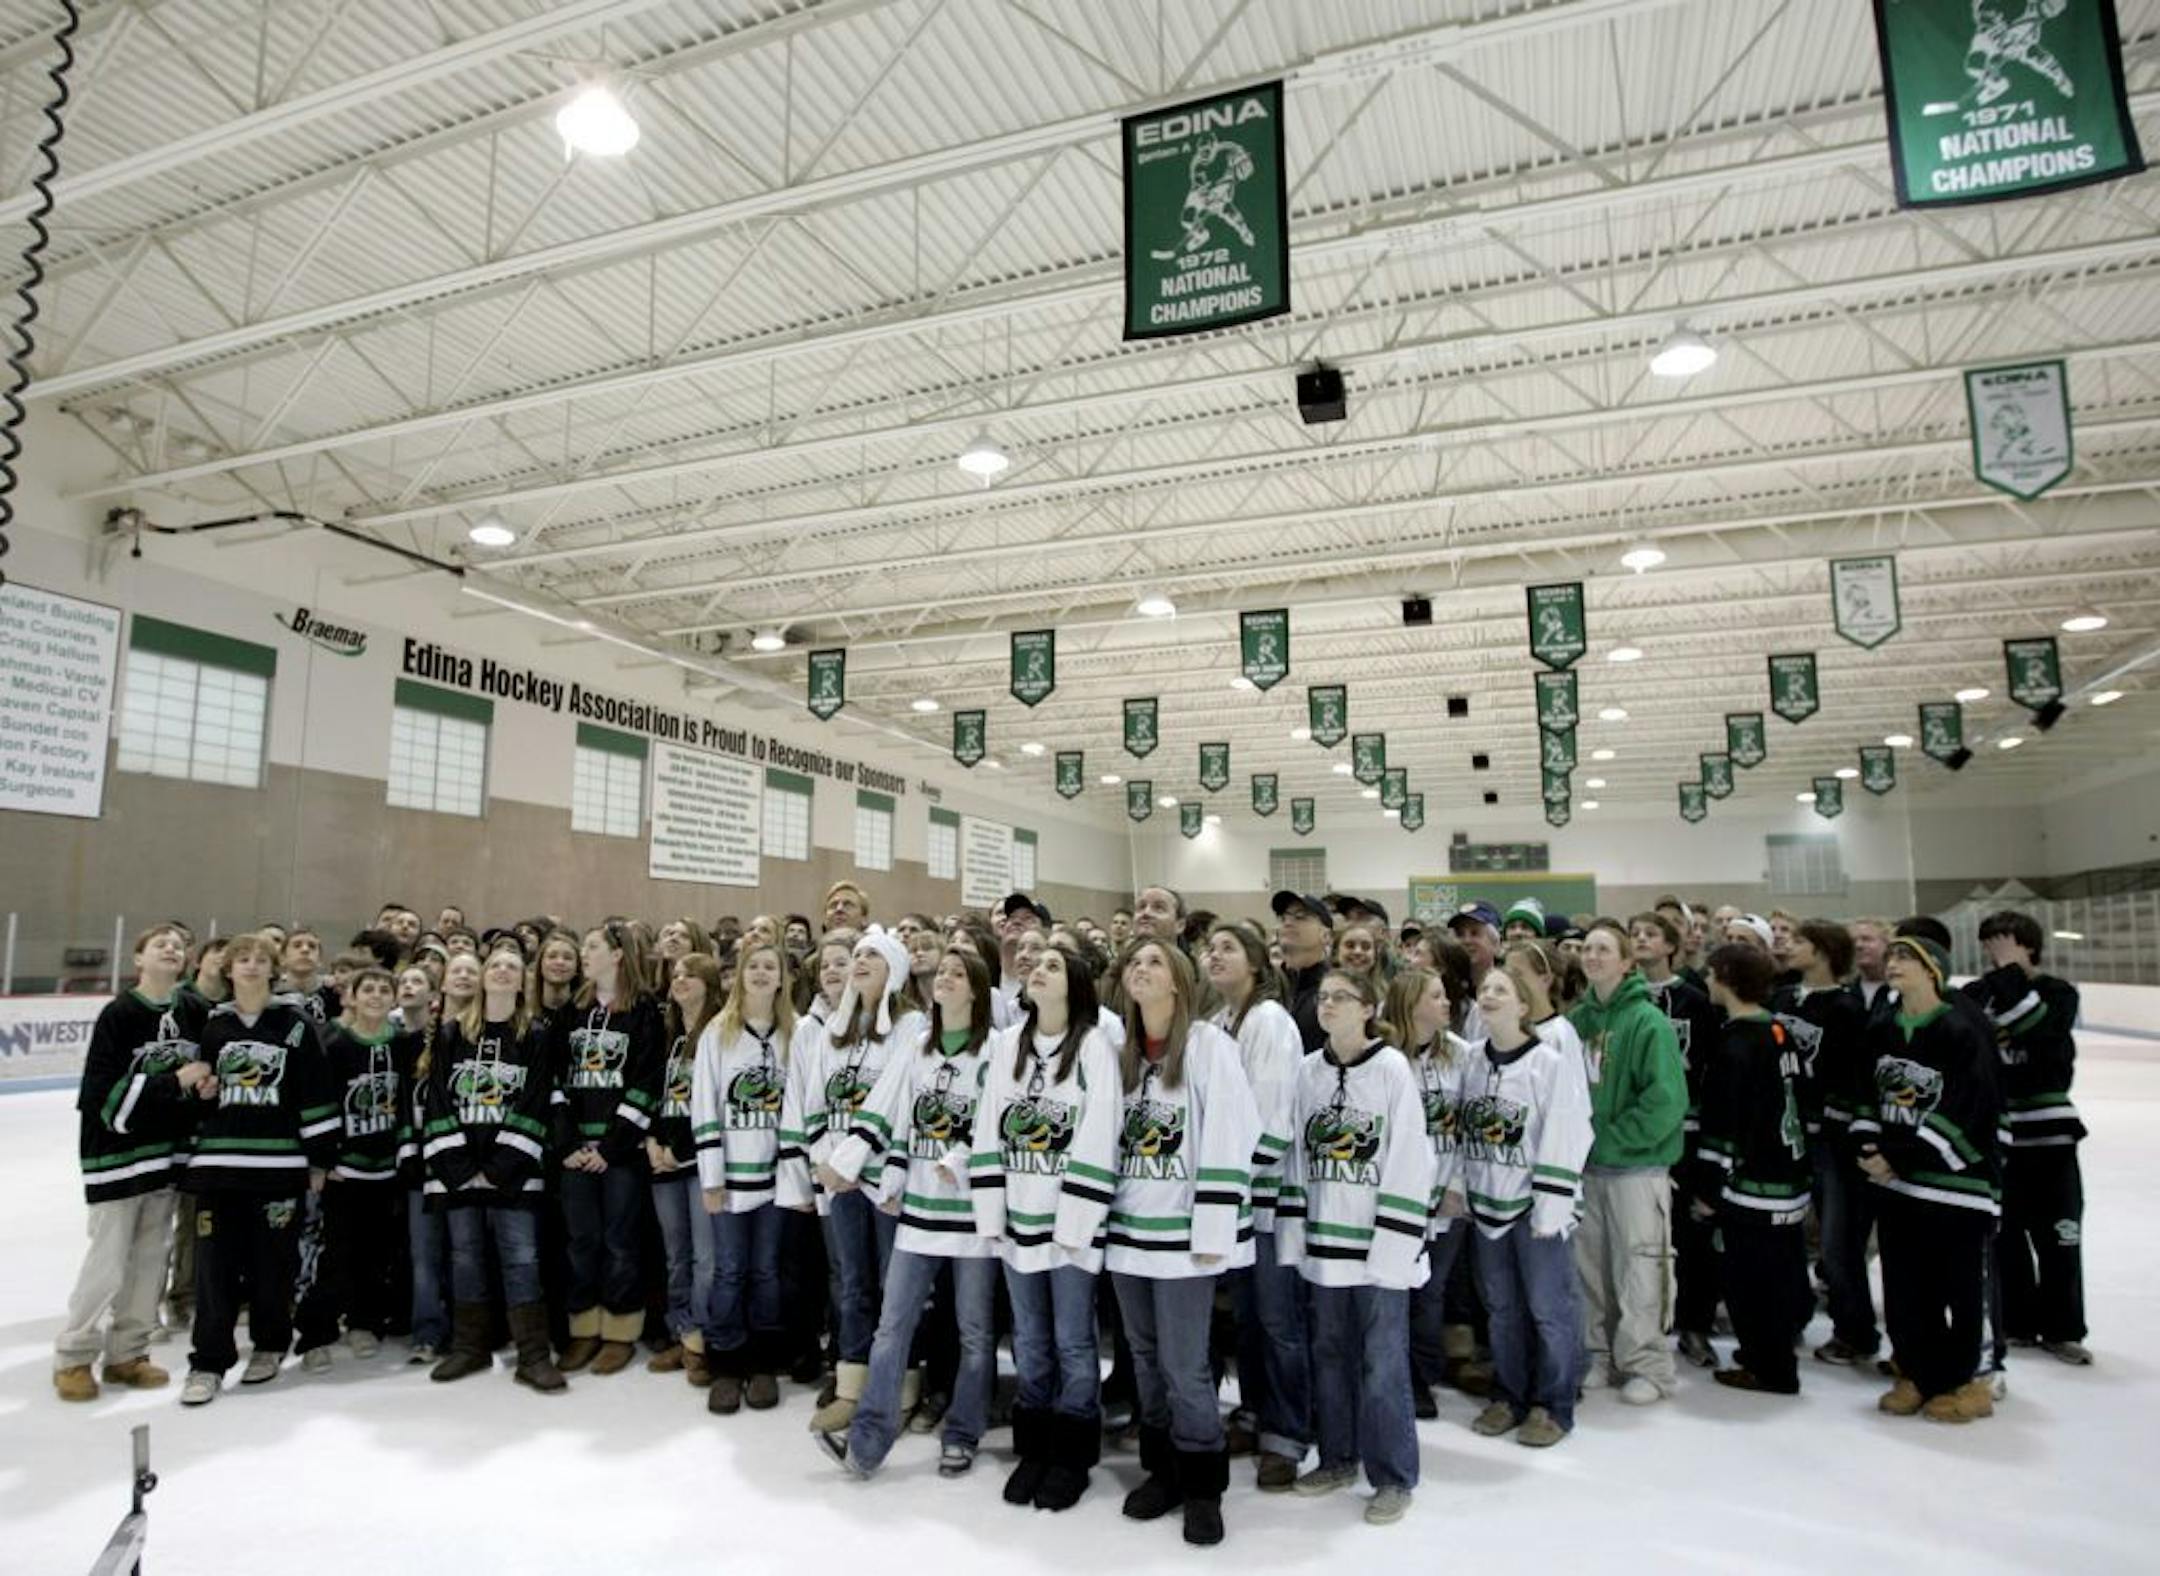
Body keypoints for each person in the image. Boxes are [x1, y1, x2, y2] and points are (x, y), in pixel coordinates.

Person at [815, 947, 1000, 1479]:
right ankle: (867, 1442)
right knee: (892, 1327)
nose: (945, 979)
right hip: (918, 1213)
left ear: (976, 990)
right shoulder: (918, 1047)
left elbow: (991, 1125)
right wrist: (848, 1164)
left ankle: (963, 1433)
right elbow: (885, 1112)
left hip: (971, 1219)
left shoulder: (996, 1051)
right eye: (941, 971)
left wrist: (958, 1159)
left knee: (974, 1332)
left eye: (957, 974)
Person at [1108, 940, 1261, 1547]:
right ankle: (1163, 1469)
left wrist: (1214, 1228)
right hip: (1127, 1232)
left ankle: (1203, 1484)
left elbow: (1233, 1129)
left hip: (1183, 1237)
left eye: (1154, 963)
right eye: (1133, 963)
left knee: (1183, 1364)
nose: (1140, 970)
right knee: (1143, 1358)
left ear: (1177, 982)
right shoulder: (1115, 1051)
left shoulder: (1207, 1047)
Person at [1277, 968, 1434, 1525]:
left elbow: (1410, 1158)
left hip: (1376, 1248)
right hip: (1325, 1243)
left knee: (1383, 1363)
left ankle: (1393, 1475)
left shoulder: (1391, 1068)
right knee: (1329, 1354)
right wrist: (1295, 1234)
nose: (1328, 1006)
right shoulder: (1305, 1071)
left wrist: (1394, 1247)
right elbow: (1297, 1153)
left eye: (1341, 998)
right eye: (1323, 998)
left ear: (1368, 1007)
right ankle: (1338, 1457)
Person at [969, 942, 1120, 1513]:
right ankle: (1034, 1446)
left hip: (1069, 1226)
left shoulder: (1095, 1048)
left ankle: (1073, 1453)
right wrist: (992, 1212)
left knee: (1075, 1342)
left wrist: (1075, 1222)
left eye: (1054, 965)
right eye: (1036, 965)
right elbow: (988, 1129)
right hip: (1017, 1219)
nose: (1038, 969)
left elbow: (1099, 1133)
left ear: (1075, 983)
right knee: (1029, 1340)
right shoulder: (1007, 1044)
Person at [178, 932, 340, 1406]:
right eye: (241, 959)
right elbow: (194, 1089)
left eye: (260, 960)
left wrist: (319, 1160)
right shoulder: (210, 1026)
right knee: (215, 1270)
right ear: (227, 970)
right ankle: (208, 1361)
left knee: (274, 1264)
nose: (250, 966)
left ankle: (269, 1344)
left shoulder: (295, 1025)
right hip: (218, 1167)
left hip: (278, 1166)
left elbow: (315, 1092)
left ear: (275, 969)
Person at [1850, 934, 2002, 1424]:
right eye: (1891, 956)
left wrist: (1900, 1158)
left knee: (1958, 1285)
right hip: (1898, 1184)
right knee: (1905, 1285)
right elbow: (1865, 1096)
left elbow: (1972, 1107)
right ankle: (1917, 1371)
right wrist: (1871, 1149)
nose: (1894, 964)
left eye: (1906, 958)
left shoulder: (1960, 1029)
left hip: (1956, 1185)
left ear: (1933, 970)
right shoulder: (1883, 1028)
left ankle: (1968, 1380)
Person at [783, 927, 925, 1433]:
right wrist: (826, 1163)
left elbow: (895, 1098)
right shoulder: (831, 1031)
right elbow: (814, 1098)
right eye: (857, 954)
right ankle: (850, 1387)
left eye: (873, 956)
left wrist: (851, 1162)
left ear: (896, 970)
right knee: (854, 1287)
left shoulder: (912, 1026)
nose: (860, 962)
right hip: (839, 1179)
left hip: (882, 1178)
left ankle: (899, 1387)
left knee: (893, 1289)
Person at [54, 923, 203, 1402]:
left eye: (178, 947)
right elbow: (100, 1092)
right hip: (117, 1156)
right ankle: (75, 1356)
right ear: (138, 959)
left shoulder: (189, 1011)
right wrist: (174, 1082)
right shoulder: (118, 1013)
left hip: (163, 1158)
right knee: (108, 1263)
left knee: (149, 1261)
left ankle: (127, 1353)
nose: (171, 950)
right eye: (160, 944)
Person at [419, 941, 563, 1391]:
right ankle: (470, 1348)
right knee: (464, 1256)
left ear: (523, 981)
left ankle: (533, 1355)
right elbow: (438, 1098)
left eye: (512, 967)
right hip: (456, 1167)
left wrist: (501, 1166)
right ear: (482, 976)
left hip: (515, 1170)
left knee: (521, 1257)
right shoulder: (450, 1033)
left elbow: (537, 1100)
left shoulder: (537, 1034)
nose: (502, 971)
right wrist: (461, 1166)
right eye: (494, 965)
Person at [1460, 965, 1593, 1448]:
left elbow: (1569, 1132)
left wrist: (1551, 1207)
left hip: (1536, 1209)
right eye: (1484, 989)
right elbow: (1458, 1130)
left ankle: (1553, 1403)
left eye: (1502, 990)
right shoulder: (1470, 1060)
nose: (1489, 995)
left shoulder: (1548, 1062)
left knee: (1548, 1308)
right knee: (1500, 1309)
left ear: (1523, 1005)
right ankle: (1510, 1394)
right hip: (1487, 1207)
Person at [1202, 921, 1310, 1491]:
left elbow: (1270, 1119)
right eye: (1210, 948)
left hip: (1264, 1196)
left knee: (1278, 1320)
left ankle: (1287, 1434)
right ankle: (1252, 1412)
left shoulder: (1269, 1022)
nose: (1214, 955)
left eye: (1228, 948)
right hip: (1234, 1198)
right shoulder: (1217, 1025)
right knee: (1245, 1318)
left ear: (1256, 962)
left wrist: (1227, 1181)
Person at [1567, 919, 1687, 1404]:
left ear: (1624, 962)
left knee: (1640, 1267)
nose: (1593, 956)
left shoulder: (1647, 1022)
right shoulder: (1576, 1023)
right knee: (1589, 1268)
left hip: (1637, 1168)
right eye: (1588, 949)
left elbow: (1664, 1101)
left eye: (1603, 949)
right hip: (1587, 1170)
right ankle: (1596, 1353)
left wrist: (1609, 1141)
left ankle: (1647, 1364)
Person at [1966, 911, 2089, 1365]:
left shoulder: (2059, 993)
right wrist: (2004, 978)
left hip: (2052, 1136)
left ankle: (2063, 1328)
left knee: (2061, 1235)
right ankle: (2017, 1321)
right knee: (2006, 1238)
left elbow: (2038, 1030)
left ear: (2028, 945)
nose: (1993, 951)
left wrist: (2011, 976)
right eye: (1989, 943)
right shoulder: (1978, 993)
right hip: (2001, 1138)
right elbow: (1978, 1040)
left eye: (2003, 941)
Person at [1690, 944, 1811, 1395]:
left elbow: (1724, 1125)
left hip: (1753, 1183)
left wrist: (1708, 1188)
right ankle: (1771, 1355)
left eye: (1710, 972)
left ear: (1725, 976)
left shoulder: (1736, 1043)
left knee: (1751, 1281)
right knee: (1782, 1273)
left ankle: (1769, 1366)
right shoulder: (1779, 1030)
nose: (1705, 980)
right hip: (1789, 1177)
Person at [552, 923, 663, 1376]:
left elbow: (646, 1081)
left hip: (620, 1152)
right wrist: (569, 1144)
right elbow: (555, 1080)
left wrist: (612, 1147)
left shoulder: (644, 1012)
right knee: (581, 1241)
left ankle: (619, 1331)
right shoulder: (570, 1012)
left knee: (620, 1242)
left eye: (592, 946)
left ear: (617, 955)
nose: (584, 954)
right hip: (577, 1151)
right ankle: (583, 1329)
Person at [693, 938, 796, 1414]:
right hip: (730, 1176)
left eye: (769, 966)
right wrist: (712, 1177)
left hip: (777, 1178)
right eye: (752, 966)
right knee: (730, 1270)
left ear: (781, 978)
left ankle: (763, 1365)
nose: (759, 973)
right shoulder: (718, 1032)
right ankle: (726, 1366)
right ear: (739, 975)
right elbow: (705, 1107)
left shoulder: (795, 1034)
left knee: (767, 1272)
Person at [293, 965, 412, 1371]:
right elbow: (318, 1104)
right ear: (351, 998)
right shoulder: (334, 1043)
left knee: (376, 1252)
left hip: (386, 1167)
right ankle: (315, 1332)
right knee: (336, 1254)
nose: (376, 996)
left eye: (384, 989)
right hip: (346, 1170)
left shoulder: (403, 1044)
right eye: (368, 990)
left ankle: (364, 1321)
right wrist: (323, 1159)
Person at [1776, 919, 1876, 1366]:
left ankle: (1855, 1331)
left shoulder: (1847, 1009)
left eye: (1799, 941)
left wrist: (1832, 1125)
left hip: (1831, 1145)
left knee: (1837, 1244)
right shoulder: (1781, 999)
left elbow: (1854, 1079)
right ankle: (1790, 1315)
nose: (1788, 946)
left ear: (1822, 951)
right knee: (1785, 1236)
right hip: (1785, 1137)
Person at [1629, 910, 1723, 1369]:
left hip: (1685, 1132)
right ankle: (1644, 1325)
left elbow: (1708, 1069)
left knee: (1691, 1235)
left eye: (1651, 934)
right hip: (1635, 1138)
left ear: (1671, 945)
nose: (1641, 939)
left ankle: (1694, 1324)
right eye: (1635, 934)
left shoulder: (1694, 999)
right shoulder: (1621, 1000)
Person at [1381, 965, 1470, 1420]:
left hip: (1444, 1196)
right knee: (1394, 1290)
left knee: (1430, 1291)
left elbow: (1471, 1129)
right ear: (1412, 1002)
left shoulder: (1461, 1055)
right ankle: (1390, 1374)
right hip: (1394, 1199)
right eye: (1436, 996)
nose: (1447, 1003)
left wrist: (1456, 1187)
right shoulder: (1381, 1057)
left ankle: (1421, 1376)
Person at [650, 954, 724, 1382]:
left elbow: (717, 1105)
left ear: (709, 984)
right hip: (663, 1160)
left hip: (699, 1160)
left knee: (706, 1258)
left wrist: (682, 1150)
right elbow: (648, 1091)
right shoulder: (665, 1032)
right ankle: (682, 1333)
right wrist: (652, 1143)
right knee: (676, 1256)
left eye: (689, 975)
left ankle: (705, 1341)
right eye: (676, 975)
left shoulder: (718, 1034)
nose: (679, 980)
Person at [1271, 890, 1333, 1050]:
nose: (1288, 922)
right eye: (1284, 917)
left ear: (1325, 935)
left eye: (1300, 917)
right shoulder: (1267, 986)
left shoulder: (1333, 990)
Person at [1445, 902, 1502, 984]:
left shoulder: (1510, 985)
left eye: (1475, 933)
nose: (1467, 941)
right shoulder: (1446, 986)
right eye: (1460, 934)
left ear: (1495, 942)